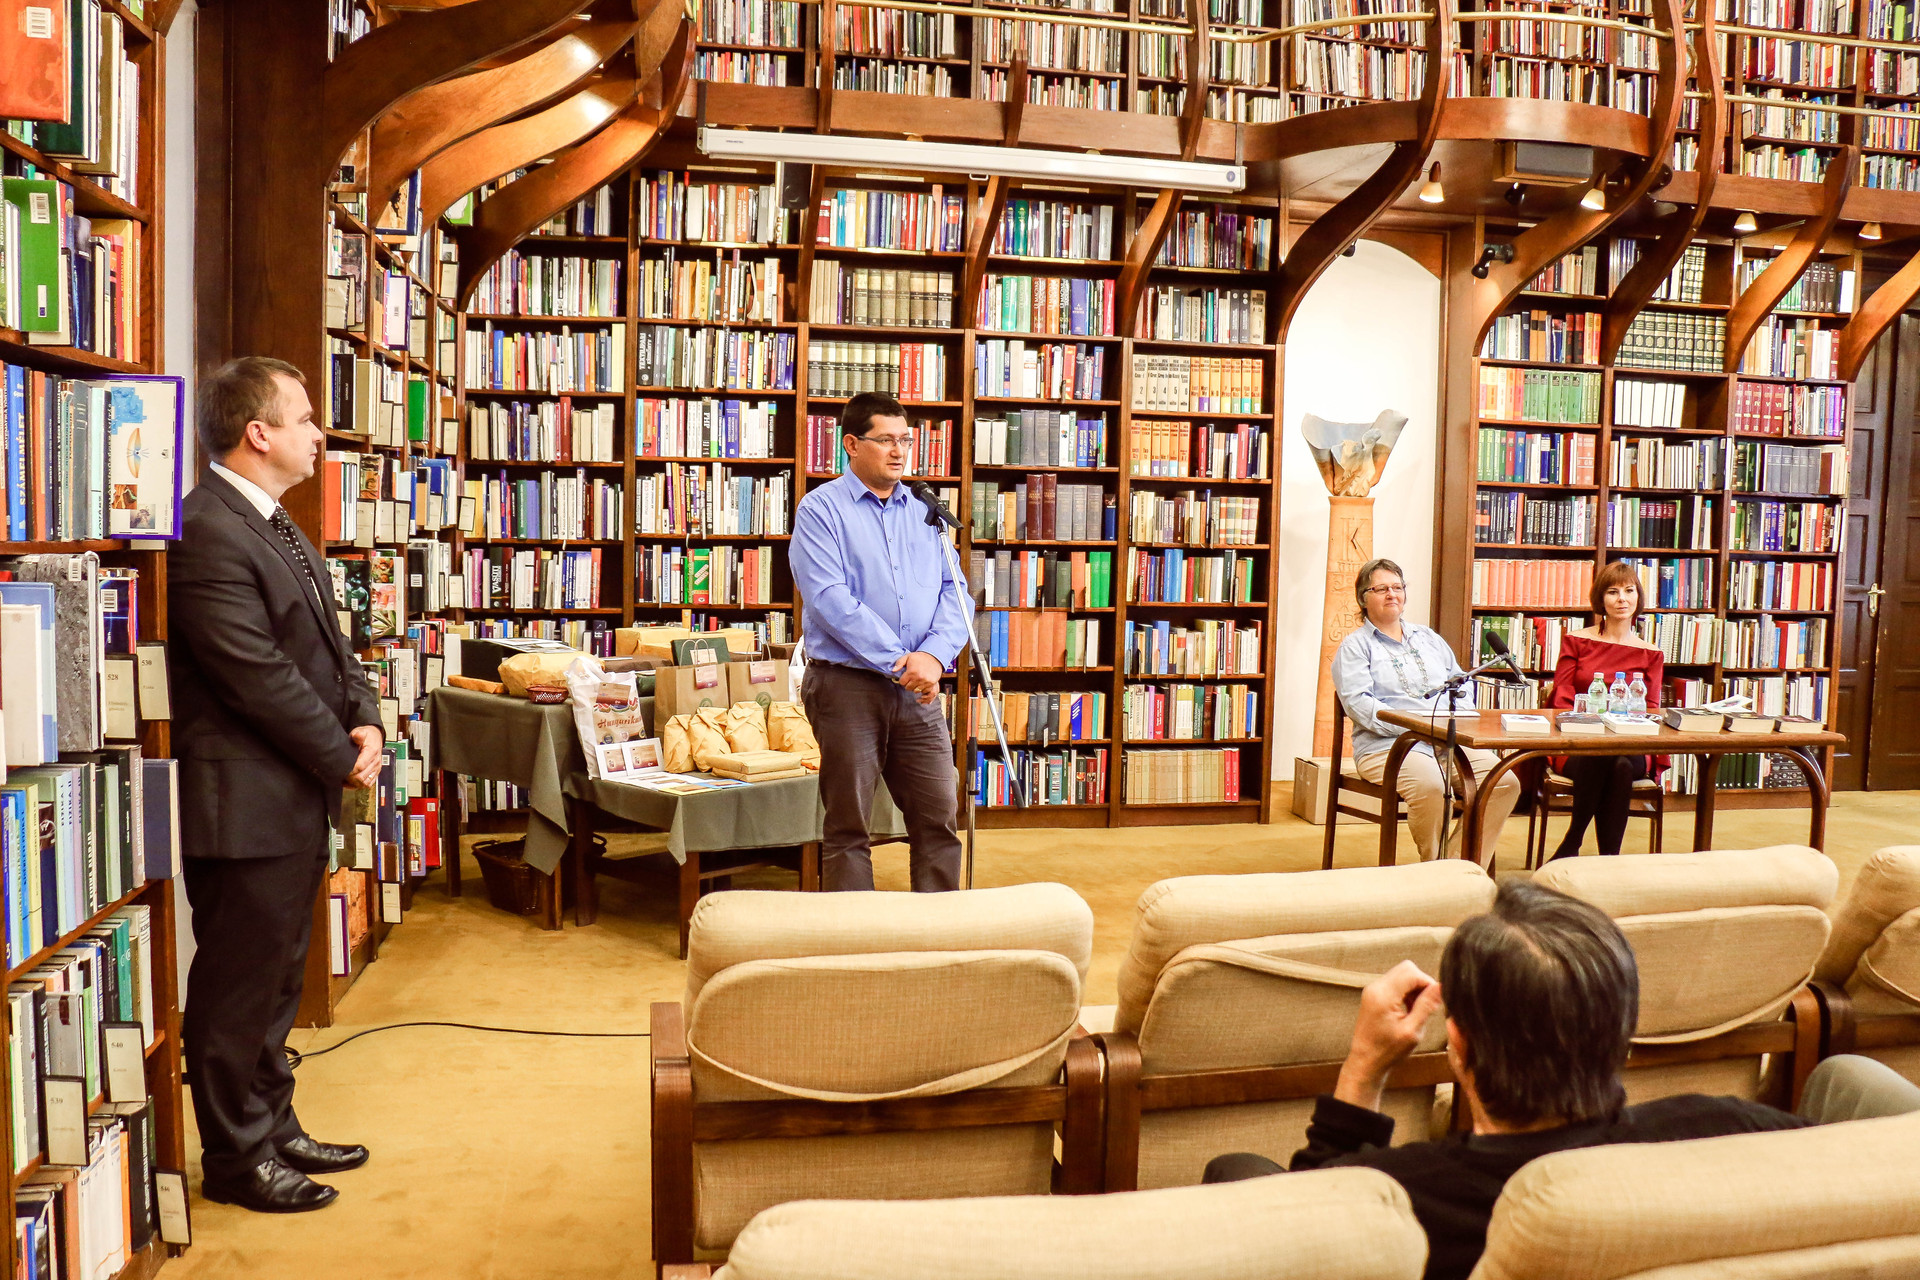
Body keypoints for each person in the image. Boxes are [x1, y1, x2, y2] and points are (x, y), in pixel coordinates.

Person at [1201, 880, 1920, 1280]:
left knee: (1237, 1171)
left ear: (1459, 1046)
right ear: (1624, 1036)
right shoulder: (1736, 1131)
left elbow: (1310, 1229)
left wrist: (1363, 1066)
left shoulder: (1404, 1193)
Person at [170, 357, 383, 1213]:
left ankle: (274, 1125)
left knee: (279, 978)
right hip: (244, 806)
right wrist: (341, 754)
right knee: (237, 989)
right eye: (303, 419)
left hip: (292, 797)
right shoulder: (205, 529)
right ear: (258, 434)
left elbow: (333, 643)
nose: (318, 434)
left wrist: (365, 716)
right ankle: (236, 1159)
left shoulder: (275, 521)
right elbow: (254, 675)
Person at [788, 391, 973, 892]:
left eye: (905, 440)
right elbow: (829, 599)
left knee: (938, 816)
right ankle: (856, 932)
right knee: (849, 825)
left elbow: (955, 593)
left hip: (919, 691)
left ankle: (938, 926)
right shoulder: (820, 509)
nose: (898, 451)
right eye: (885, 440)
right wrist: (901, 661)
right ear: (851, 444)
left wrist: (932, 656)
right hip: (847, 687)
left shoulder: (926, 511)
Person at [1331, 557, 1520, 862]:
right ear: (1363, 599)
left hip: (1447, 741)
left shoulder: (1429, 638)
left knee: (1504, 782)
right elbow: (1359, 704)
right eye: (1381, 589)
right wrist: (1417, 726)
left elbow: (1461, 684)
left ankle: (1459, 866)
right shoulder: (1355, 647)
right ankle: (1433, 868)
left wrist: (1455, 721)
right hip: (1387, 747)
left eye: (1397, 587)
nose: (1392, 594)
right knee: (1433, 786)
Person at [1546, 560, 1668, 859]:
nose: (1621, 599)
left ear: (1638, 597)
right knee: (1615, 764)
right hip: (1578, 743)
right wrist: (1590, 730)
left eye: (1629, 591)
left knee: (1620, 759)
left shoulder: (1651, 653)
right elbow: (1562, 698)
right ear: (1601, 599)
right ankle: (1609, 859)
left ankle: (1572, 841)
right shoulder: (1577, 641)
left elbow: (1651, 708)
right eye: (1613, 592)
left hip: (1632, 744)